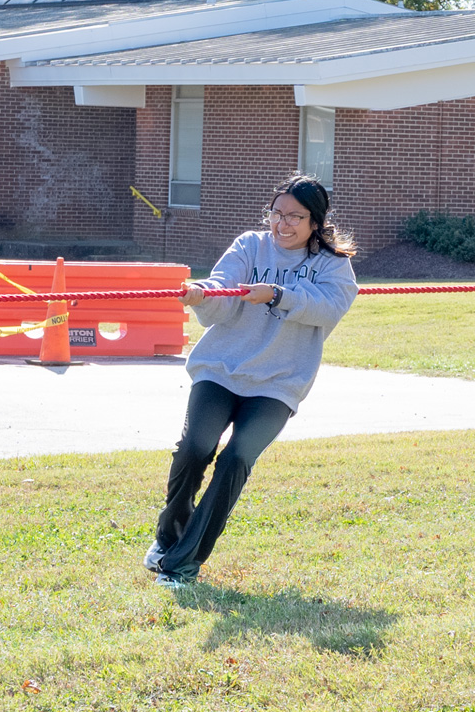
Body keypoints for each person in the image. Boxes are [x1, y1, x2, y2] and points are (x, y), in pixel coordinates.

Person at [146, 176, 359, 587]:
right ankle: (167, 539)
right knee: (195, 448)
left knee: (236, 458)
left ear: (315, 222)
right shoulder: (250, 245)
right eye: (277, 214)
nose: (283, 224)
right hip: (221, 370)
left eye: (295, 216)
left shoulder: (333, 265)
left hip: (278, 383)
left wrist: (279, 295)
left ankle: (182, 565)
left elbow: (329, 308)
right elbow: (222, 287)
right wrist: (202, 295)